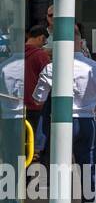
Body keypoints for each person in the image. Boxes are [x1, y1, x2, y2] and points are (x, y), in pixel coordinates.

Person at [32, 26, 96, 203]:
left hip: (60, 124)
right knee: (89, 171)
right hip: (86, 122)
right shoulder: (95, 67)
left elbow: (38, 98)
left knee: (58, 172)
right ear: (81, 43)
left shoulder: (51, 68)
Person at [22, 25, 51, 154]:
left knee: (21, 140)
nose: (44, 45)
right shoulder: (41, 55)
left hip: (17, 103)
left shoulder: (16, 54)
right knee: (33, 140)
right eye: (44, 41)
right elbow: (49, 78)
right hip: (36, 104)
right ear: (41, 38)